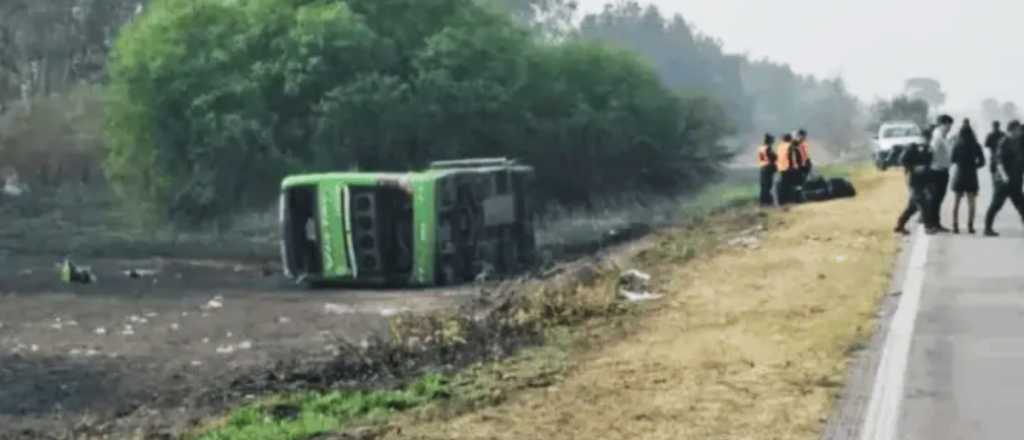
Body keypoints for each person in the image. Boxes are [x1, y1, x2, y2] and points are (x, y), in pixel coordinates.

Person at [983, 120, 1024, 236]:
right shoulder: (1003, 142)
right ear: (1013, 130)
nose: (1021, 131)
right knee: (996, 204)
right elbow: (999, 162)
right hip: (1003, 181)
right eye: (1018, 129)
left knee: (1021, 204)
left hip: (1016, 179)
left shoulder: (1018, 142)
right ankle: (987, 228)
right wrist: (1005, 177)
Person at [895, 141, 940, 235]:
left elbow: (930, 163)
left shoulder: (927, 151)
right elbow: (903, 161)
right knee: (923, 203)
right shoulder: (912, 150)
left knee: (912, 207)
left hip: (921, 181)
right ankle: (928, 227)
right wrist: (913, 168)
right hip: (914, 181)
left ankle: (900, 225)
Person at [950, 119, 986, 234]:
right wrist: (975, 166)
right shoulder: (976, 145)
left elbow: (952, 160)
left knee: (956, 202)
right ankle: (970, 226)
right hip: (971, 175)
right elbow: (982, 162)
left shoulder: (957, 144)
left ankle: (955, 226)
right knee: (971, 202)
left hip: (959, 174)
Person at [929, 114, 955, 231]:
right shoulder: (938, 136)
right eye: (948, 125)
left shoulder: (943, 136)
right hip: (936, 171)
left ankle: (936, 223)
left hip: (943, 170)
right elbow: (932, 152)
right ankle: (932, 223)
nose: (950, 127)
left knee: (938, 199)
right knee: (935, 199)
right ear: (942, 124)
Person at [775, 133, 802, 205]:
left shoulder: (779, 146)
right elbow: (791, 157)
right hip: (789, 168)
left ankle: (783, 201)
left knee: (783, 185)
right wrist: (794, 167)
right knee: (793, 185)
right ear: (789, 139)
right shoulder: (790, 146)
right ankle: (794, 200)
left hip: (781, 168)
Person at [757, 133, 778, 206]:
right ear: (770, 141)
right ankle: (767, 202)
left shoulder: (761, 148)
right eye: (772, 141)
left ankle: (762, 202)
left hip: (762, 168)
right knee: (768, 186)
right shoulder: (768, 148)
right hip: (768, 168)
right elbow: (774, 157)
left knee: (763, 186)